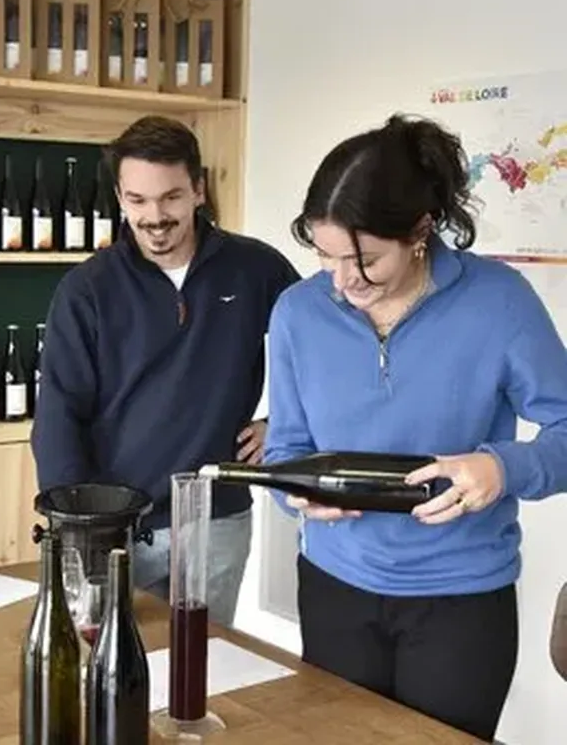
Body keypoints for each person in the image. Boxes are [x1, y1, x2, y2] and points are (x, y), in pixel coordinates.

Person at [264, 113, 567, 741]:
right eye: (325, 257)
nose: (344, 283)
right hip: (332, 588)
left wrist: (503, 467)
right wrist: (295, 494)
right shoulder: (298, 312)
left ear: (421, 231)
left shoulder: (500, 301)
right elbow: (288, 447)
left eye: (366, 260)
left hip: (460, 603)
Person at [33, 115, 299, 626]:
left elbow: (324, 348)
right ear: (120, 196)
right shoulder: (86, 290)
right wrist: (79, 532)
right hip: (111, 532)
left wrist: (283, 425)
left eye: (171, 197)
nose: (154, 216)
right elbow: (58, 416)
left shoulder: (256, 269)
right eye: (137, 200)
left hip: (215, 524)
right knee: (106, 677)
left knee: (198, 673)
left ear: (199, 189)